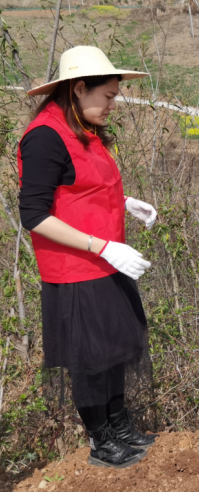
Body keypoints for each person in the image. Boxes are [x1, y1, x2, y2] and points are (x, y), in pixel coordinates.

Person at [18, 46, 159, 469]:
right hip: (76, 269)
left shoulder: (83, 128)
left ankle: (120, 427)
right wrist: (103, 246)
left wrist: (125, 202)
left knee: (113, 350)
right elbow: (35, 215)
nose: (114, 105)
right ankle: (102, 439)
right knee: (91, 360)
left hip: (105, 262)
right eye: (109, 96)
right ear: (79, 88)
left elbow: (80, 189)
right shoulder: (45, 136)